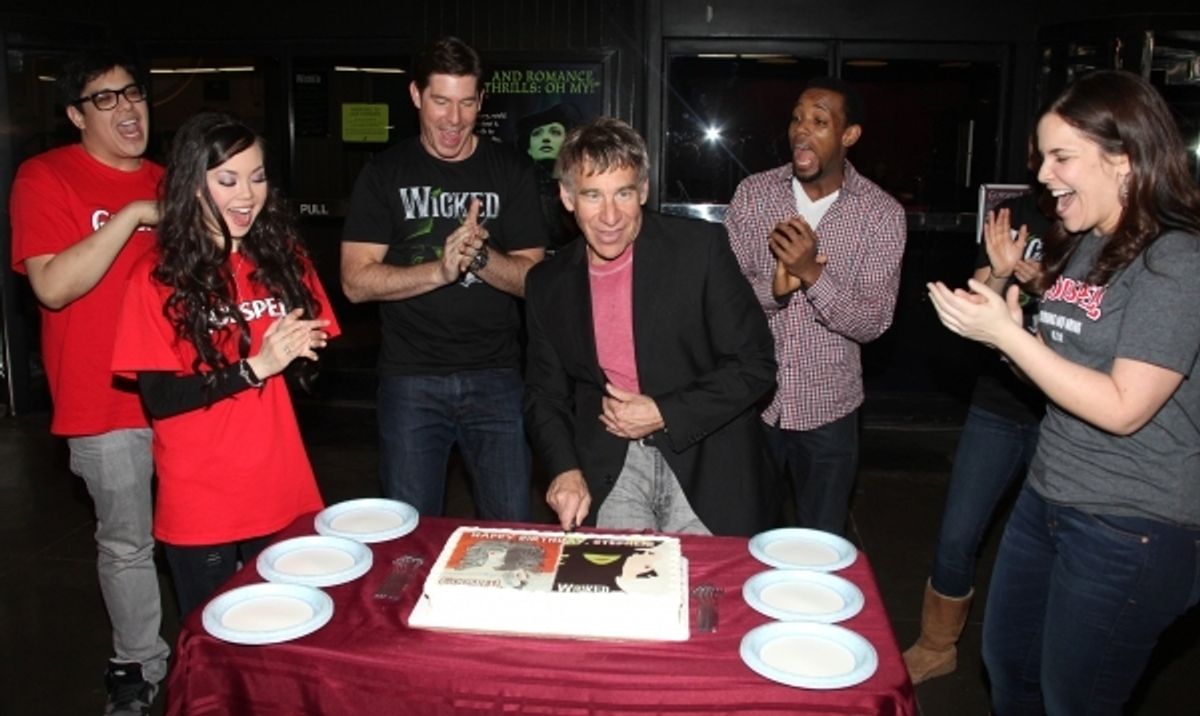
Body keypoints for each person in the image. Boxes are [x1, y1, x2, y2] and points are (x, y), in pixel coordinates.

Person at [928, 70, 1200, 714]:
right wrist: (1006, 336)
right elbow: (1064, 377)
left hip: (1131, 525)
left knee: (1074, 698)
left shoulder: (1177, 259)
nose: (1044, 175)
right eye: (1043, 156)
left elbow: (1124, 407)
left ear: (1125, 159)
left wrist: (1009, 337)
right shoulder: (1090, 245)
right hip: (1049, 496)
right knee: (1009, 667)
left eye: (1061, 157)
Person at [110, 111, 339, 618]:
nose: (247, 195)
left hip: (281, 486)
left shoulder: (282, 258)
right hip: (203, 502)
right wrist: (256, 366)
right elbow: (161, 399)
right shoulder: (154, 276)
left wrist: (301, 350)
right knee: (216, 648)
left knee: (289, 634)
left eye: (257, 178)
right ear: (194, 185)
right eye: (228, 180)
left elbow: (308, 358)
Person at [8, 50, 169, 715]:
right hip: (103, 403)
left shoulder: (174, 178)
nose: (127, 109)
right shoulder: (46, 177)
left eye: (132, 94)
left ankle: (223, 648)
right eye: (105, 100)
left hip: (185, 395)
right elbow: (50, 285)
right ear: (76, 115)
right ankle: (139, 663)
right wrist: (132, 214)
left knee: (208, 532)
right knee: (129, 544)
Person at [524, 117, 778, 537]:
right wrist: (565, 469)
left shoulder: (701, 250)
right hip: (611, 463)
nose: (609, 216)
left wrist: (663, 412)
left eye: (623, 193)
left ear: (643, 190)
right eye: (592, 195)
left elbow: (756, 364)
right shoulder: (547, 283)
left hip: (707, 458)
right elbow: (544, 395)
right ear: (567, 197)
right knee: (620, 593)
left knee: (702, 595)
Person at [341, 36, 547, 521]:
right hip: (410, 380)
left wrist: (478, 258)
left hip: (497, 377)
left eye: (466, 102)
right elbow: (355, 281)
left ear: (481, 101)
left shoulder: (512, 171)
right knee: (408, 538)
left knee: (510, 534)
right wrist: (440, 269)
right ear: (415, 96)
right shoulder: (384, 173)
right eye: (440, 101)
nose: (453, 119)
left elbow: (535, 281)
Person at [724, 76, 906, 536]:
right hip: (752, 402)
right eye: (797, 119)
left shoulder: (881, 215)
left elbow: (873, 320)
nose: (802, 131)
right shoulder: (754, 195)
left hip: (829, 411)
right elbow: (723, 299)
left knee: (819, 548)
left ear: (849, 136)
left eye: (820, 121)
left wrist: (812, 274)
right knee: (742, 538)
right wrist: (776, 289)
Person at [903, 194, 1048, 685]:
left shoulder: (1117, 222)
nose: (1049, 169)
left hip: (1066, 414)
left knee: (1048, 547)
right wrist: (1006, 273)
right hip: (1000, 402)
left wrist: (1046, 282)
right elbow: (978, 295)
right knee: (957, 532)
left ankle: (1042, 654)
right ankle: (936, 646)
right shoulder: (1022, 212)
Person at [517, 102, 582, 248]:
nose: (545, 139)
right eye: (537, 134)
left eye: (555, 132)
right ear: (529, 149)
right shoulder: (517, 191)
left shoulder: (582, 186)